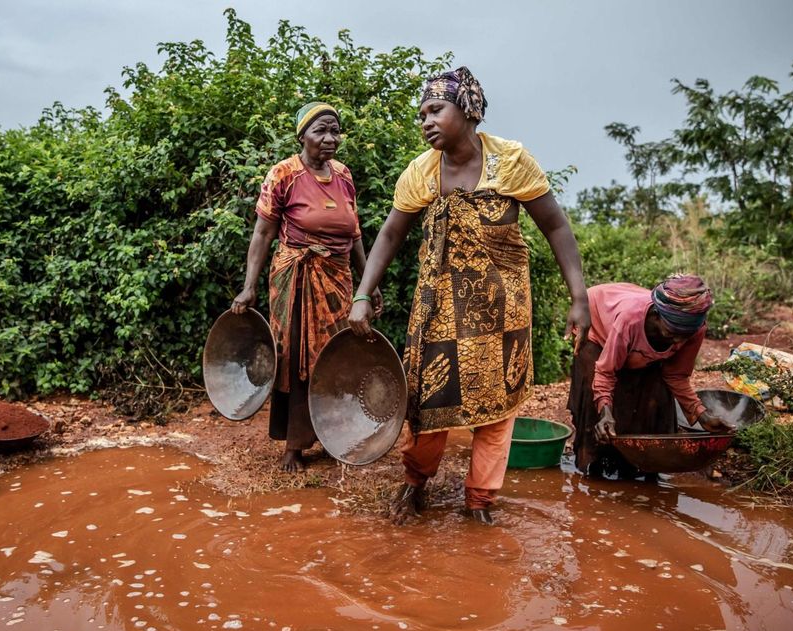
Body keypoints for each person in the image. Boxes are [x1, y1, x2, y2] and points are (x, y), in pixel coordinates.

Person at [347, 68, 590, 525]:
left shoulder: (511, 161)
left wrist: (579, 298)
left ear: (469, 111)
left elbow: (556, 227)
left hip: (503, 309)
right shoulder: (421, 172)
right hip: (438, 307)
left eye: (435, 110)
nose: (426, 121)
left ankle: (479, 500)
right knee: (426, 399)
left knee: (497, 408)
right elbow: (390, 234)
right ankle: (415, 481)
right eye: (421, 114)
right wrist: (363, 293)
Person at [231, 102, 382, 473]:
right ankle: (294, 446)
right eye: (320, 131)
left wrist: (368, 284)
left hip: (338, 278)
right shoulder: (283, 174)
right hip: (296, 280)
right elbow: (263, 233)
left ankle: (336, 436)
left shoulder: (344, 175)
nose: (329, 139)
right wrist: (248, 287)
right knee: (296, 357)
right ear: (303, 136)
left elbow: (355, 234)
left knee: (337, 355)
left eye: (334, 131)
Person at [568, 275, 734, 478]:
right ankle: (591, 472)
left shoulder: (694, 329)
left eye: (684, 336)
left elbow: (676, 375)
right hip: (597, 318)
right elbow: (606, 371)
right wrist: (605, 412)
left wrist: (702, 416)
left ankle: (636, 466)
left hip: (631, 331)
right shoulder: (631, 319)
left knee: (653, 397)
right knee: (594, 399)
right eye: (672, 332)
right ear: (656, 315)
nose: (677, 341)